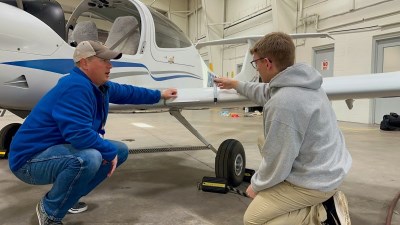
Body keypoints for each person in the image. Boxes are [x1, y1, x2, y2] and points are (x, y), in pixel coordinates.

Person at [8, 40, 177, 225]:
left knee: (120, 150)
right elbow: (78, 134)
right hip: (28, 162)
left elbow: (128, 92)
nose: (110, 65)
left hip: (51, 151)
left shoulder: (98, 86)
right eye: (104, 60)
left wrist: (160, 94)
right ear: (85, 63)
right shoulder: (75, 86)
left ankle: (68, 199)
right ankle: (50, 211)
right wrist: (108, 152)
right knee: (89, 158)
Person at [214, 32, 352, 225]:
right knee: (265, 141)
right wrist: (235, 84)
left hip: (315, 182)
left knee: (253, 220)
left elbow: (279, 159)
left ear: (267, 62)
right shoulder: (304, 83)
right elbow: (266, 91)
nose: (257, 70)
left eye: (256, 64)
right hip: (329, 168)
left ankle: (322, 212)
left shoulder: (284, 103)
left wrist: (256, 185)